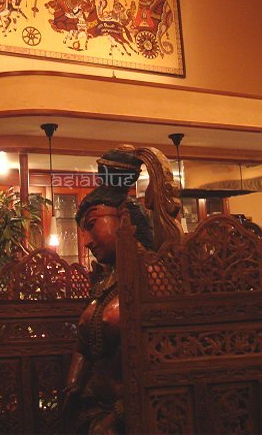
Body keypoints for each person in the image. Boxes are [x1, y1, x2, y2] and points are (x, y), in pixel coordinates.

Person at [63, 146, 155, 435]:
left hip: (130, 415)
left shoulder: (152, 278)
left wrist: (118, 414)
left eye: (92, 226)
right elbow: (84, 346)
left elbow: (158, 361)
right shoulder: (105, 280)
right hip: (94, 406)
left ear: (123, 217)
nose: (87, 241)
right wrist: (72, 386)